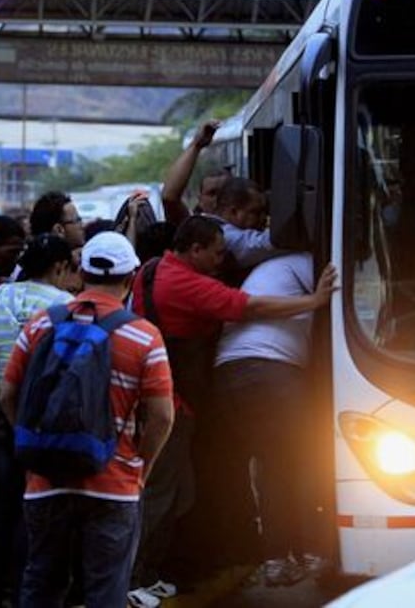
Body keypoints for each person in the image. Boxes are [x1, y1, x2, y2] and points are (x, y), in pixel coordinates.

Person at [128, 215, 337, 604]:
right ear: (195, 250)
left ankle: (154, 571)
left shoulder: (152, 270)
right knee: (163, 494)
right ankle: (135, 577)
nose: (223, 261)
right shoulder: (186, 283)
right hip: (168, 403)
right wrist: (314, 301)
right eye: (218, 253)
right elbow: (249, 306)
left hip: (169, 397)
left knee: (183, 492)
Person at [1, 232, 175, 608]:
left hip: (46, 480)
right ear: (131, 278)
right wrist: (139, 466)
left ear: (81, 272)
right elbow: (162, 416)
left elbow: (7, 394)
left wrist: (32, 445)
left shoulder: (38, 325)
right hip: (114, 483)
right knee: (106, 589)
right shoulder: (144, 336)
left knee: (42, 582)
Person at [0, 233, 78, 607]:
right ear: (58, 268)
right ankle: (25, 592)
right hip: (44, 424)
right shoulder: (66, 305)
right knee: (34, 513)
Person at [212, 252, 325, 586]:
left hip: (230, 372)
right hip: (267, 370)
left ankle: (275, 555)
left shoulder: (276, 271)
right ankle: (297, 554)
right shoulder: (310, 265)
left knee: (270, 464)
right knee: (293, 463)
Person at [161, 120, 225, 225]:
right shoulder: (196, 229)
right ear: (200, 200)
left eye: (224, 193)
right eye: (212, 193)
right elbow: (169, 198)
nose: (218, 200)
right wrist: (196, 146)